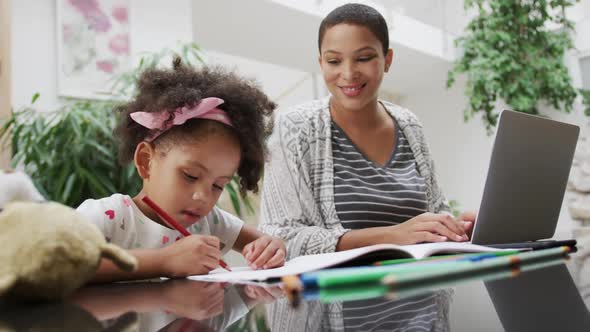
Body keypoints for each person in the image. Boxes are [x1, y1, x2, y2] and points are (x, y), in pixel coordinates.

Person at [260, 3, 475, 260]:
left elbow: (435, 212)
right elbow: (280, 236)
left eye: (363, 58)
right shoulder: (294, 128)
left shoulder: (409, 126)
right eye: (334, 61)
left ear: (387, 60)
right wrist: (391, 235)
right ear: (321, 63)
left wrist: (456, 228)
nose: (348, 73)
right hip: (339, 297)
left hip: (421, 293)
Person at [77, 59, 286, 283]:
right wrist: (163, 261)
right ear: (146, 161)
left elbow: (266, 244)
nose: (203, 196)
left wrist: (272, 248)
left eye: (218, 185)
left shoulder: (210, 222)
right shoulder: (108, 216)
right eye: (190, 176)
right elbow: (64, 263)